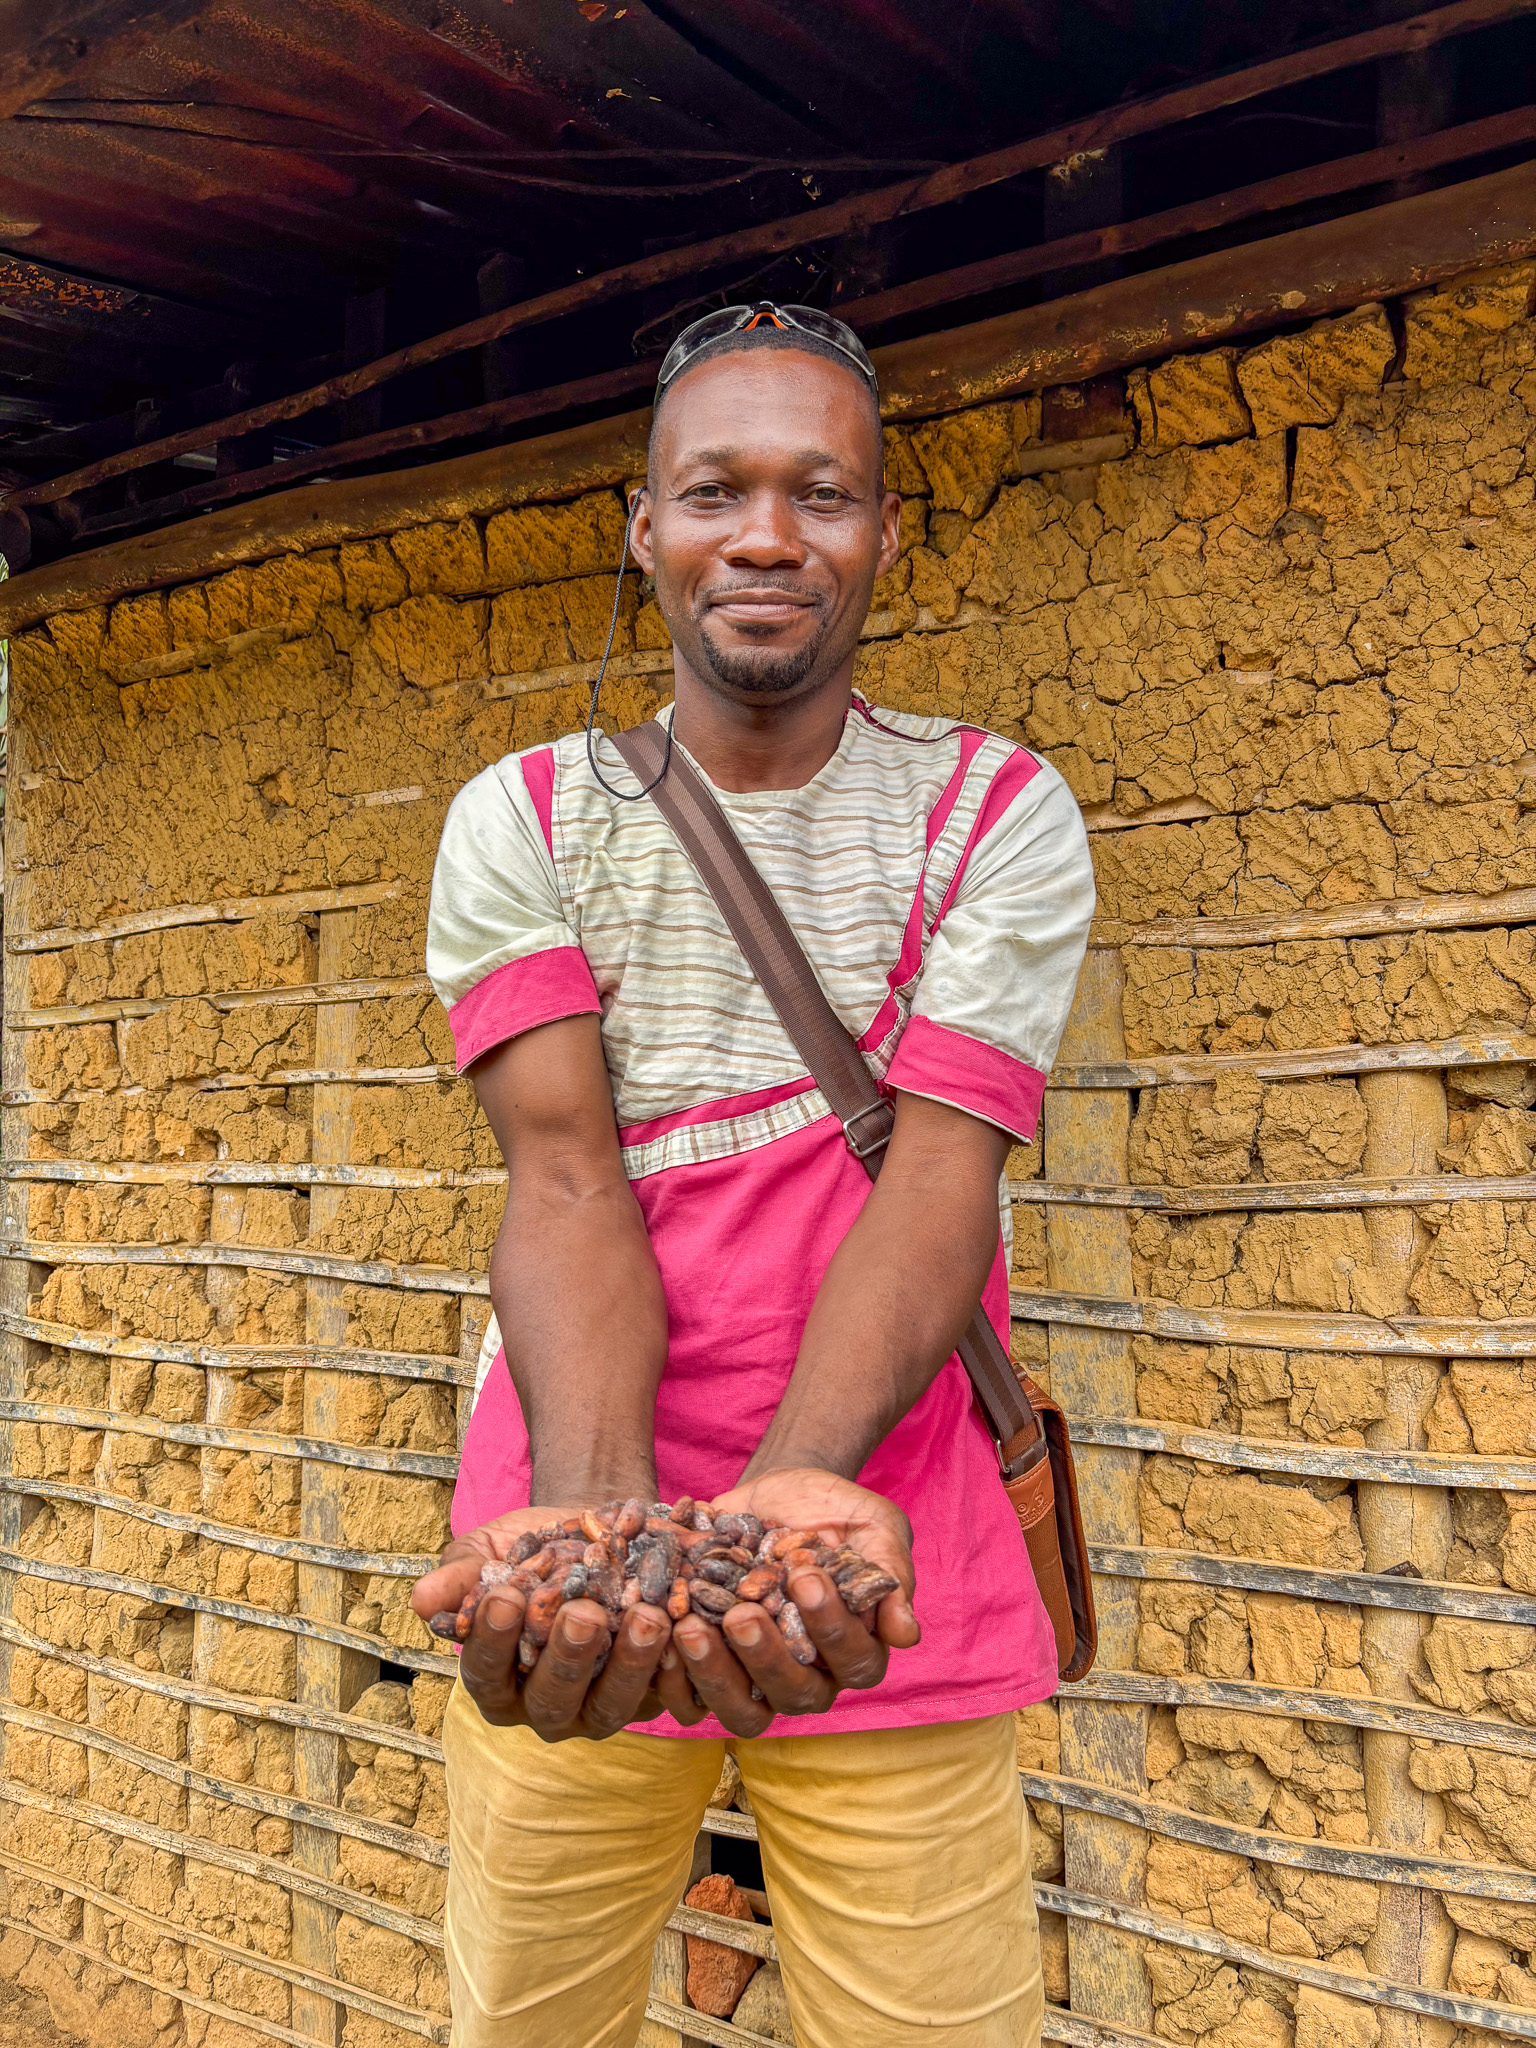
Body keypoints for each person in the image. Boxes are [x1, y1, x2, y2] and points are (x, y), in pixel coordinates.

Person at [413, 301, 1095, 2048]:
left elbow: (940, 1179)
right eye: (715, 491)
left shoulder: (995, 811)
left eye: (824, 492)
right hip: (569, 1509)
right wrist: (606, 1533)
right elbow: (564, 1185)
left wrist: (787, 1514)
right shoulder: (529, 818)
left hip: (885, 1553)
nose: (771, 536)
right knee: (527, 2023)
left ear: (882, 529)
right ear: (646, 529)